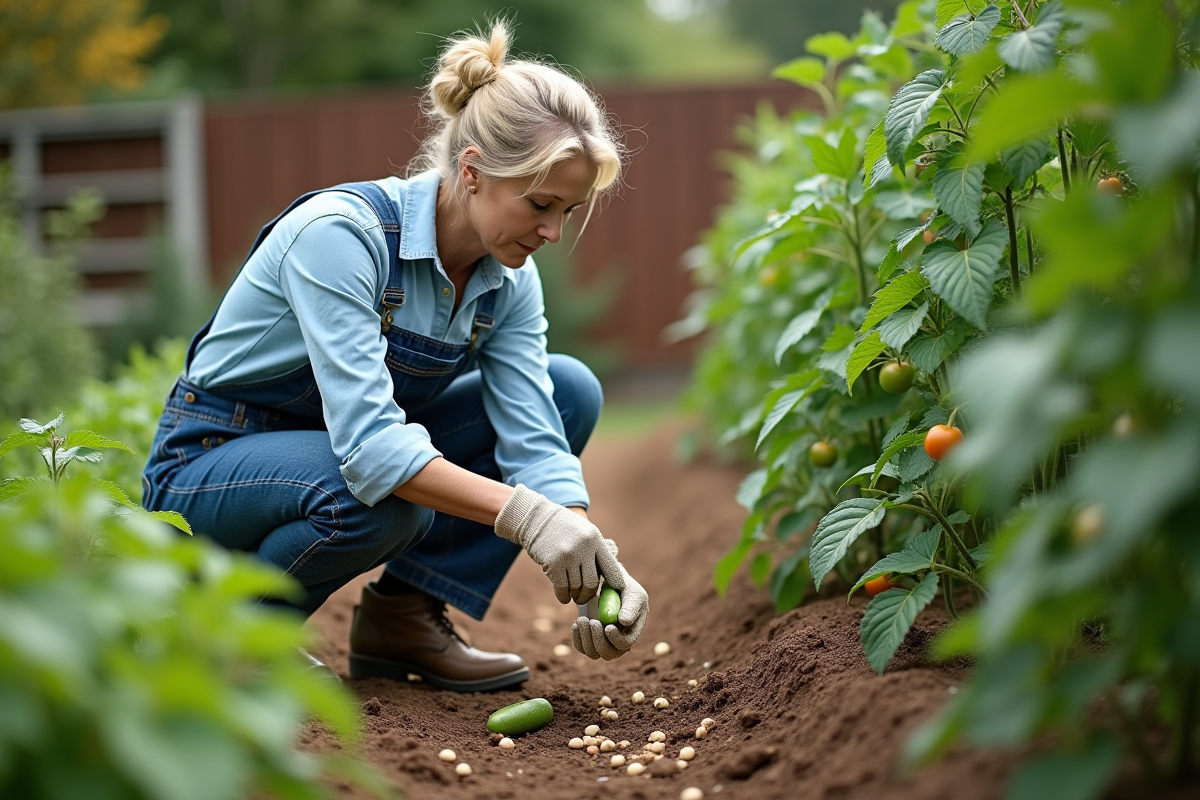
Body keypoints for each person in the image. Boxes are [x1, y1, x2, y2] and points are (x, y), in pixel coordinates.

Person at [141, 20, 649, 691]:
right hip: (212, 461)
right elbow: (373, 453)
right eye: (541, 205)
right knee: (382, 501)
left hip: (332, 456)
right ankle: (231, 636)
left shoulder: (508, 280)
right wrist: (529, 519)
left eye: (570, 211)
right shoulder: (340, 239)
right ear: (472, 172)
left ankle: (401, 618)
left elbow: (534, 432)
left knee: (568, 390)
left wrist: (588, 552)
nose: (553, 232)